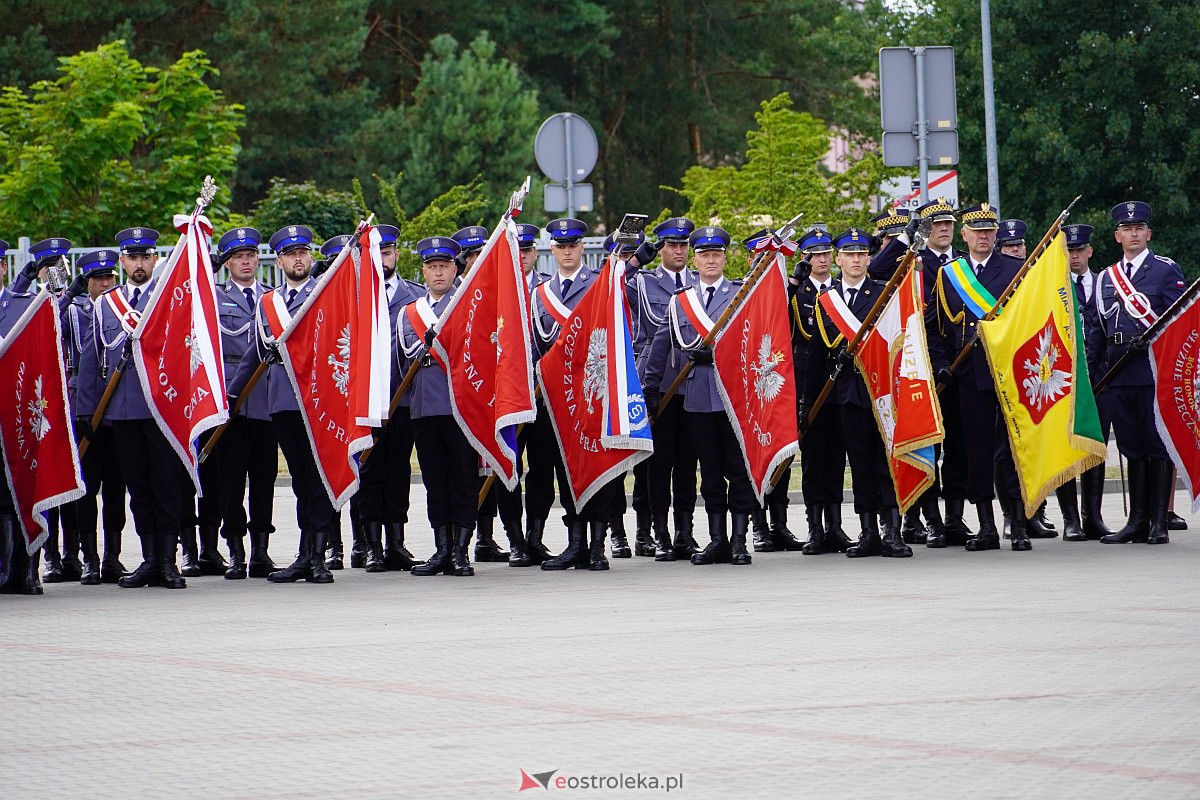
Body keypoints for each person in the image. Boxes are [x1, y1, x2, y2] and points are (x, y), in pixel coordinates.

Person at [80, 227, 193, 588]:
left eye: (146, 256)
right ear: (123, 261)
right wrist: (87, 409)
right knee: (139, 488)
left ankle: (169, 561)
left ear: (155, 259)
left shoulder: (168, 298)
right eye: (133, 258)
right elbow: (92, 356)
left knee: (166, 485)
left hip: (163, 408)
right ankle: (150, 559)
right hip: (123, 410)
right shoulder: (105, 304)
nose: (139, 263)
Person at [228, 224, 334, 583]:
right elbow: (255, 353)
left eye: (303, 253)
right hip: (283, 401)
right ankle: (305, 555)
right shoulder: (268, 303)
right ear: (280, 261)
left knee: (318, 477)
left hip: (317, 398)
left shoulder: (324, 295)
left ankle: (317, 556)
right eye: (291, 255)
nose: (298, 259)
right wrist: (232, 394)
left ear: (311, 257)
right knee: (301, 479)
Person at [643, 226, 753, 566]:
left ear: (725, 259)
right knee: (710, 472)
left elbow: (750, 343)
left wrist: (718, 356)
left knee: (738, 470)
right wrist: (650, 386)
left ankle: (739, 541)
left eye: (716, 255)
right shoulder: (681, 301)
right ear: (695, 260)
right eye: (704, 255)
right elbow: (661, 343)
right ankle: (717, 540)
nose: (711, 261)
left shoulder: (740, 295)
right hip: (697, 400)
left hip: (731, 398)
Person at [929, 203, 1030, 552]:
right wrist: (941, 363)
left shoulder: (1015, 270)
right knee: (977, 451)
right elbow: (935, 327)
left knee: (1013, 451)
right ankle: (986, 526)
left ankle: (1019, 523)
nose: (983, 236)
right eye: (977, 231)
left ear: (996, 233)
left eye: (989, 230)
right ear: (965, 234)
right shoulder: (950, 274)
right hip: (969, 376)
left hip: (1009, 373)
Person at [804, 228, 910, 558]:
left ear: (869, 258)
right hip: (848, 393)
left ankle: (892, 531)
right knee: (860, 464)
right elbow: (816, 355)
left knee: (885, 462)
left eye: (862, 254)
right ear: (838, 259)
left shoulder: (884, 293)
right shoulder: (827, 300)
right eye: (849, 254)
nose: (856, 260)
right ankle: (868, 532)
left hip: (882, 391)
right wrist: (807, 402)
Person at [1087, 201, 1185, 545]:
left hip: (1154, 372)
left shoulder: (1165, 271)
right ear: (1117, 236)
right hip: (1118, 373)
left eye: (1139, 228)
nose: (1133, 234)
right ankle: (1136, 521)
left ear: (1148, 233)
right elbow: (1096, 329)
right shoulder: (1106, 278)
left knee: (1156, 446)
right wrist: (1093, 375)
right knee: (1131, 447)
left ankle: (1159, 521)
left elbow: (1178, 326)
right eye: (1127, 229)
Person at [870, 198, 965, 547]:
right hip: (914, 363)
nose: (943, 228)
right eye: (935, 224)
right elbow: (877, 271)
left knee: (956, 447)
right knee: (922, 444)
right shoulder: (912, 259)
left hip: (954, 367)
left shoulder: (962, 263)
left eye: (948, 223)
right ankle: (927, 519)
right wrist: (905, 239)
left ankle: (953, 518)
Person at [528, 217, 616, 571]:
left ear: (582, 248)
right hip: (555, 398)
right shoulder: (540, 295)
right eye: (561, 246)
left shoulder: (599, 285)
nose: (567, 252)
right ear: (552, 250)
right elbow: (534, 347)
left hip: (591, 394)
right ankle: (576, 543)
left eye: (573, 246)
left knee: (594, 464)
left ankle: (597, 546)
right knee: (565, 470)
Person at [399, 236, 484, 576]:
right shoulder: (409, 314)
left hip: (459, 407)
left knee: (463, 478)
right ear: (423, 271)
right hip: (423, 407)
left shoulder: (467, 306)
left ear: (454, 270)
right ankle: (442, 549)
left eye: (444, 267)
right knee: (435, 480)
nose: (438, 273)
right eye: (432, 267)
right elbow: (402, 361)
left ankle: (461, 550)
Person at [627, 217, 701, 560]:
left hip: (692, 382)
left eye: (683, 245)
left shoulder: (699, 283)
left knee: (687, 463)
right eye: (672, 245)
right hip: (654, 384)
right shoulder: (644, 283)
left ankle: (684, 532)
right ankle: (655, 532)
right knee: (655, 464)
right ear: (661, 249)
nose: (678, 251)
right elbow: (607, 286)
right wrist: (633, 261)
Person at [351, 223, 423, 572]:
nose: (383, 258)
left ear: (396, 254)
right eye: (376, 252)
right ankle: (372, 546)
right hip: (367, 401)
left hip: (404, 399)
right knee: (368, 471)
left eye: (388, 251)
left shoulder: (415, 296)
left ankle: (396, 542)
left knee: (398, 470)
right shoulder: (356, 295)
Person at [213, 227, 282, 578]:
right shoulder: (215, 297)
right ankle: (236, 551)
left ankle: (260, 551)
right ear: (227, 263)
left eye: (250, 256)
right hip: (231, 399)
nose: (245, 262)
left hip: (266, 398)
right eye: (238, 257)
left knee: (264, 478)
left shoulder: (272, 298)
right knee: (231, 480)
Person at [476, 222, 542, 566]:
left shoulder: (546, 290)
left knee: (541, 469)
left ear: (535, 253)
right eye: (516, 250)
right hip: (502, 395)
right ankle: (512, 539)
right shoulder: (494, 291)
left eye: (526, 250)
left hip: (540, 394)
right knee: (504, 465)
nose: (522, 256)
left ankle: (534, 539)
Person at [61, 249, 128, 585]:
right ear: (86, 281)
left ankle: (112, 557)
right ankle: (89, 558)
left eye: (109, 277)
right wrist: (66, 295)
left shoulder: (124, 308)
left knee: (116, 486)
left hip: (117, 405)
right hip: (82, 404)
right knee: (85, 487)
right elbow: (48, 325)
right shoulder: (74, 310)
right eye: (97, 279)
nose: (104, 284)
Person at [788, 227, 852, 555]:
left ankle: (835, 526)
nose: (822, 259)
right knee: (813, 457)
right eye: (815, 254)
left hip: (841, 379)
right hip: (807, 381)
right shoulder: (797, 293)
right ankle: (815, 528)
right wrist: (792, 283)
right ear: (805, 257)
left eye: (827, 253)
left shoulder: (842, 290)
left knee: (836, 456)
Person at [742, 229, 804, 553]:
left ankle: (779, 525)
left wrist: (792, 285)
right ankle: (759, 526)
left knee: (782, 454)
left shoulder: (785, 290)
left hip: (779, 383)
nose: (766, 262)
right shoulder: (739, 293)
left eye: (772, 256)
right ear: (750, 260)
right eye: (761, 256)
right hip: (750, 387)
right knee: (754, 457)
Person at [1057, 223, 1113, 541]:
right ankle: (1071, 520)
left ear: (1090, 251)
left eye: (1079, 250)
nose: (1074, 256)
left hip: (1100, 380)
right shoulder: (1055, 287)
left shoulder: (1105, 283)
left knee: (1096, 448)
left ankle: (1093, 516)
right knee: (1066, 450)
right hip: (1066, 381)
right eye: (1069, 251)